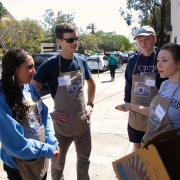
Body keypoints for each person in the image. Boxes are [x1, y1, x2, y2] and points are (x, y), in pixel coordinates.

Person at [31, 22, 96, 180]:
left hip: (82, 124)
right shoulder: (50, 65)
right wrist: (48, 115)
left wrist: (90, 104)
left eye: (76, 38)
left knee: (84, 161)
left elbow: (91, 83)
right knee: (58, 166)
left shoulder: (81, 61)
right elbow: (30, 94)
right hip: (61, 129)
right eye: (70, 40)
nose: (75, 42)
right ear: (59, 41)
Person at [0, 49, 59, 180]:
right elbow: (16, 145)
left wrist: (51, 140)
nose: (34, 71)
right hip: (19, 167)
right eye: (30, 67)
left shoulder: (30, 88)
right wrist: (46, 149)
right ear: (15, 69)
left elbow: (44, 115)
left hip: (39, 160)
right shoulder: (2, 100)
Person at [116, 43, 180, 147]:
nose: (158, 65)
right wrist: (131, 106)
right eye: (158, 60)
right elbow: (156, 113)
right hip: (159, 145)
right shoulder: (165, 84)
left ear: (178, 64)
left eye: (165, 60)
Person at [124, 25, 167, 151]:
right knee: (137, 145)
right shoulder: (133, 60)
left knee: (155, 147)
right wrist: (127, 102)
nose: (143, 43)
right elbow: (128, 82)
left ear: (155, 39)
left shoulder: (161, 57)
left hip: (157, 111)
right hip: (136, 111)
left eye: (147, 39)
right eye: (140, 40)